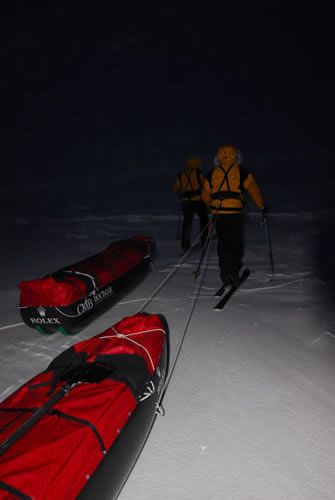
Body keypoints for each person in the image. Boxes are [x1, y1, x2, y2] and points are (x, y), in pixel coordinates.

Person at [202, 145, 266, 286]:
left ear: (218, 157)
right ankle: (234, 271)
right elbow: (253, 190)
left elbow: (205, 194)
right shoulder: (243, 172)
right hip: (235, 214)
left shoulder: (212, 172)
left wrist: (211, 204)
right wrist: (261, 205)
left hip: (218, 214)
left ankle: (225, 272)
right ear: (236, 156)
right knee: (235, 243)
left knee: (223, 243)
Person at [172, 155, 209, 252]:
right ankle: (205, 240)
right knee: (204, 220)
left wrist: (182, 189)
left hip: (186, 202)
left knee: (187, 222)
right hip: (198, 200)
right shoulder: (199, 173)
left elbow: (175, 188)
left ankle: (185, 244)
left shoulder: (181, 174)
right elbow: (205, 187)